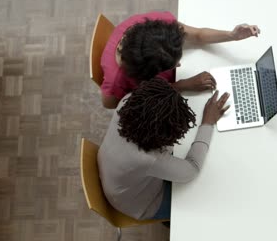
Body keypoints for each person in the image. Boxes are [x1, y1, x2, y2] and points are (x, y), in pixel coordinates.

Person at [97, 77, 230, 220]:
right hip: (140, 204)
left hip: (118, 178)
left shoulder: (128, 101)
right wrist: (208, 122)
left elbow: (154, 100)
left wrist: (181, 86)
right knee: (207, 201)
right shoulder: (147, 158)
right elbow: (192, 169)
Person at [100, 11, 260, 108]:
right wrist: (181, 85)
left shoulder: (158, 26)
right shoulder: (116, 80)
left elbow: (197, 35)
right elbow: (120, 104)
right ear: (149, 73)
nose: (179, 64)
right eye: (173, 64)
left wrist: (232, 36)